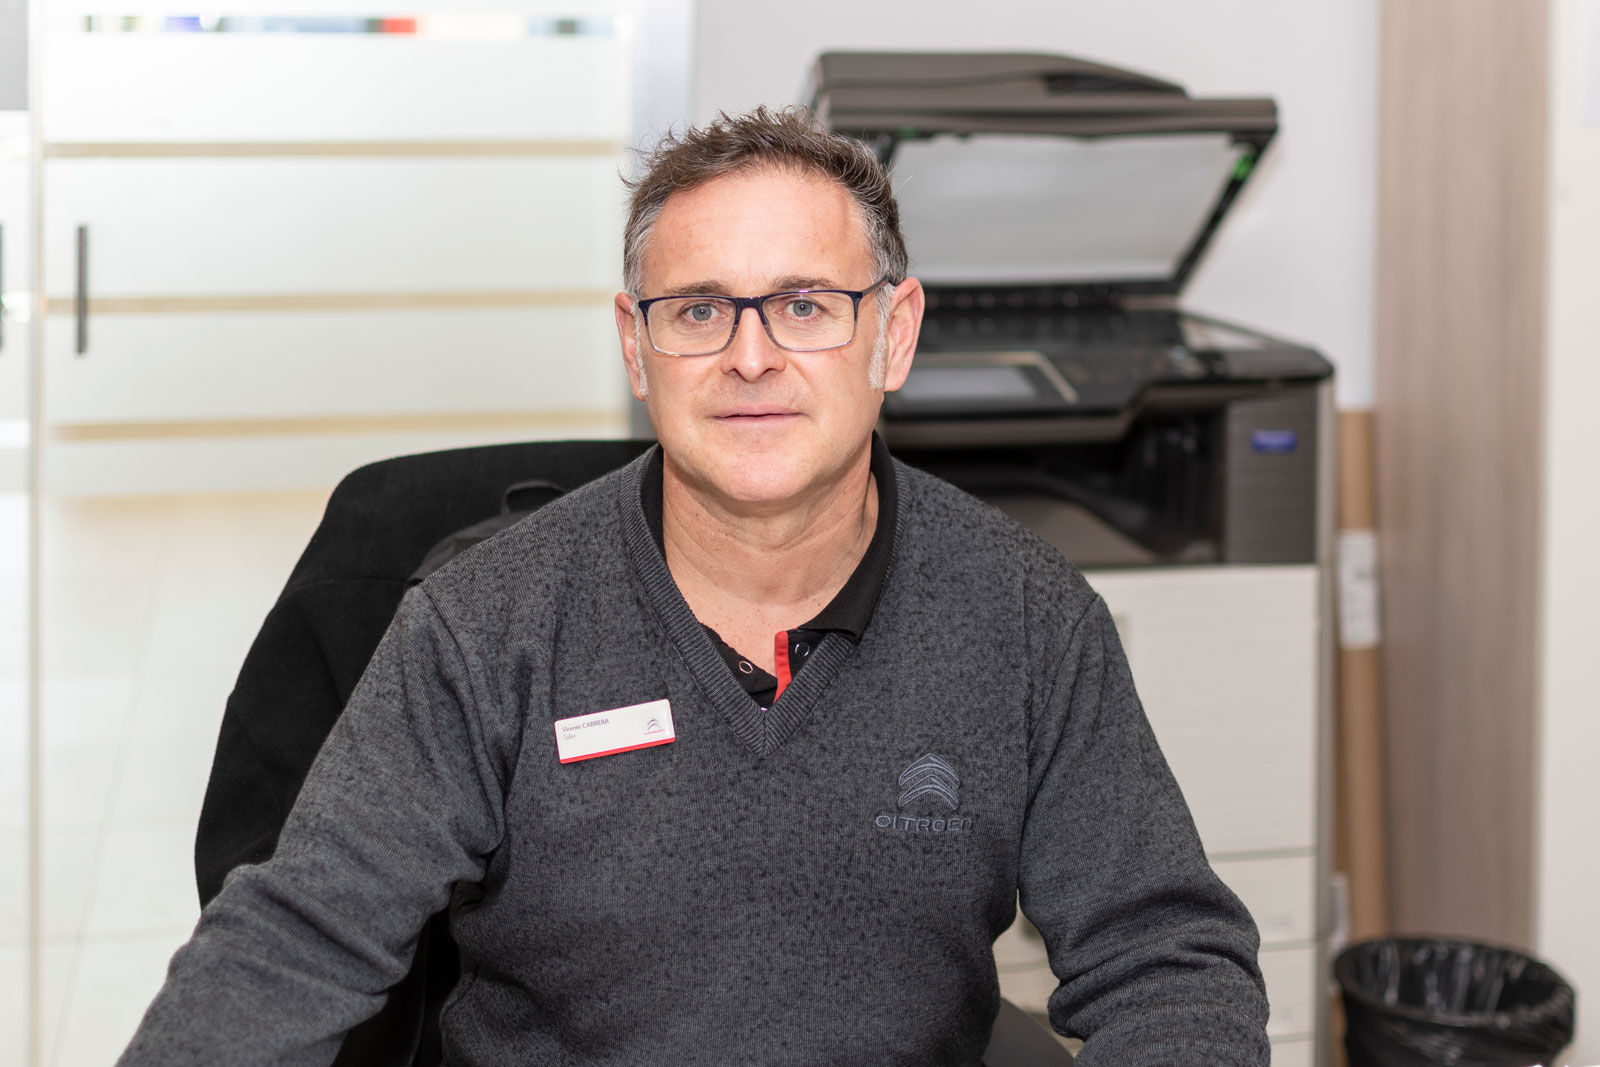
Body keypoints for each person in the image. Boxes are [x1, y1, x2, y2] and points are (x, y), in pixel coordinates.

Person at [117, 107, 1269, 1067]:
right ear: (636, 346)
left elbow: (1165, 959)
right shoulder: (486, 622)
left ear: (894, 332)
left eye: (805, 304)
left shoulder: (1024, 615)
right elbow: (290, 945)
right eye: (699, 310)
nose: (750, 356)